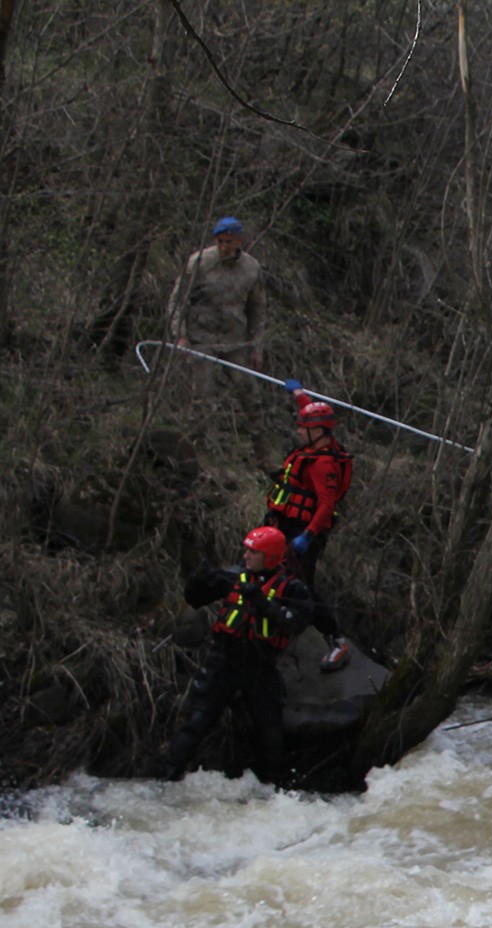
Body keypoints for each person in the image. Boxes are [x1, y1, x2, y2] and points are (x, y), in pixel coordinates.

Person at [164, 525, 313, 782]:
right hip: (223, 660)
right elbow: (195, 598)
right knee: (196, 721)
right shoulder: (233, 577)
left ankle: (277, 787)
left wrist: (263, 603)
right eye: (246, 551)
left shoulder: (293, 589)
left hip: (261, 665)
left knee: (270, 732)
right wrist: (197, 579)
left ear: (270, 558)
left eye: (252, 553)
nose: (246, 557)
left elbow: (295, 623)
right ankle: (168, 777)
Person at [266, 394, 356, 671]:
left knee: (301, 588)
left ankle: (336, 640)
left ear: (317, 432)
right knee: (272, 577)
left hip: (303, 532)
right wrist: (299, 396)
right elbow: (312, 415)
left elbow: (327, 504)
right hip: (285, 524)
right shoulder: (316, 443)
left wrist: (308, 535)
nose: (297, 431)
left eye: (302, 428)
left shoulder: (323, 464)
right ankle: (274, 632)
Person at [166, 217, 265, 372]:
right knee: (204, 391)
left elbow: (257, 309)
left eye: (229, 242)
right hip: (201, 337)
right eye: (220, 241)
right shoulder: (199, 262)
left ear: (239, 241)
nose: (224, 247)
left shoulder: (251, 268)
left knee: (247, 389)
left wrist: (256, 347)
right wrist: (180, 336)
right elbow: (177, 300)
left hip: (235, 339)